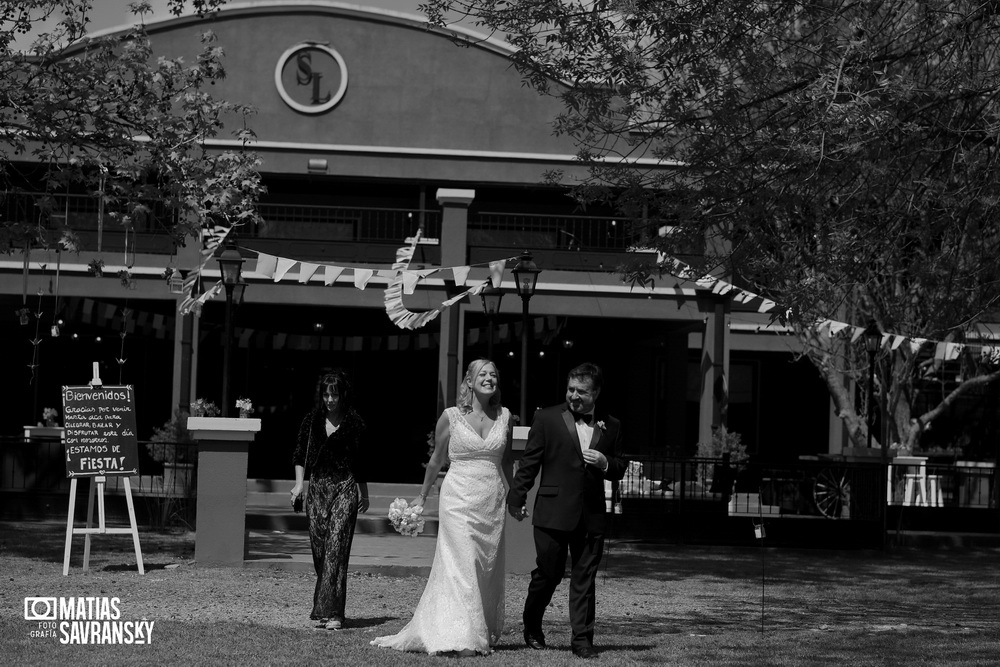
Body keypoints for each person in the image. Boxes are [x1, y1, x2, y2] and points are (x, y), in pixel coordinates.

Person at [372, 358, 514, 656]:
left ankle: (472, 626)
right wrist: (421, 499)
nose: (489, 379)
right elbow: (436, 460)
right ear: (469, 381)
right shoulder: (450, 417)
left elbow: (507, 463)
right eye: (483, 374)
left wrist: (514, 497)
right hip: (458, 499)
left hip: (491, 502)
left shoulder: (505, 417)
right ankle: (464, 637)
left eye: (493, 375)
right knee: (461, 564)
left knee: (483, 568)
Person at [507, 362, 627, 659]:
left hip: (591, 514)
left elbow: (620, 466)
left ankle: (582, 640)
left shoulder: (611, 424)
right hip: (552, 511)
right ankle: (532, 624)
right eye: (571, 389)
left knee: (584, 578)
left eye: (582, 391)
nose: (574, 395)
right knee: (548, 574)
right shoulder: (546, 418)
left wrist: (605, 462)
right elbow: (530, 462)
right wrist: (516, 496)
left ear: (596, 392)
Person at [290, 370, 370, 630]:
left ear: (342, 394)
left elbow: (361, 461)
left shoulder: (354, 422)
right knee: (321, 551)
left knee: (336, 548)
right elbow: (300, 455)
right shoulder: (311, 421)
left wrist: (363, 492)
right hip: (317, 491)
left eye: (334, 393)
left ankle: (333, 613)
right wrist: (299, 484)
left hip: (345, 487)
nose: (330, 399)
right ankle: (329, 603)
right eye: (326, 394)